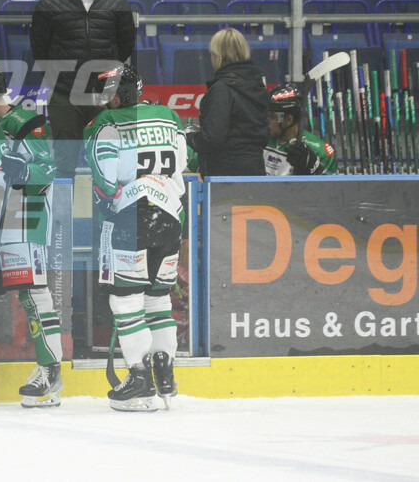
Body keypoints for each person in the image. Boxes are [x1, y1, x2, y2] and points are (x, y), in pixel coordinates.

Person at [83, 64, 187, 412]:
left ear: (114, 95)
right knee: (159, 301)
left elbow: (104, 180)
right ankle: (165, 377)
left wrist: (107, 204)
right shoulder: (169, 117)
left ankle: (140, 379)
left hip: (130, 217)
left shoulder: (106, 125)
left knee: (126, 304)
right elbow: (184, 161)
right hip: (170, 217)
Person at [0, 60, 63, 408]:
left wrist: (25, 169)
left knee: (34, 296)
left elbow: (49, 169)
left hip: (23, 218)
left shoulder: (26, 121)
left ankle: (51, 371)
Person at [30, 0, 136, 176]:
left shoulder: (116, 3)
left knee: (109, 164)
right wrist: (61, 82)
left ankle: (107, 213)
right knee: (64, 165)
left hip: (105, 97)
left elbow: (125, 45)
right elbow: (40, 49)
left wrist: (106, 84)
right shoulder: (50, 4)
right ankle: (61, 214)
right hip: (64, 97)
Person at [184, 28, 269, 177]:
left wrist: (189, 137)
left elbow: (212, 140)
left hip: (225, 177)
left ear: (218, 57)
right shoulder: (257, 84)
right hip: (256, 171)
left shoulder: (222, 89)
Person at [264, 83, 336, 176]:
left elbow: (331, 188)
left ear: (289, 120)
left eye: (272, 117)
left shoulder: (321, 151)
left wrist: (315, 170)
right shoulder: (260, 139)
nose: (267, 121)